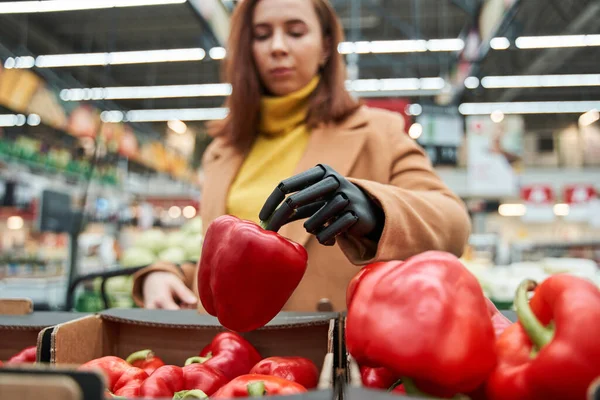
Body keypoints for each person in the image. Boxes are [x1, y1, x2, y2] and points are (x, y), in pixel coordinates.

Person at [131, 0, 471, 312]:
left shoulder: (377, 132)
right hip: (230, 359)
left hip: (330, 357)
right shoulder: (223, 151)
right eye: (262, 36)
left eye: (295, 32)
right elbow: (238, 264)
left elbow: (453, 225)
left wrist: (377, 210)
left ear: (325, 47)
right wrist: (167, 273)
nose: (278, 47)